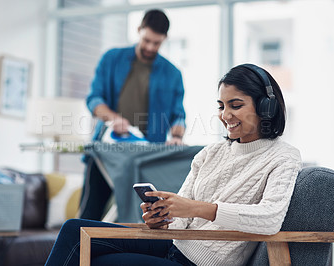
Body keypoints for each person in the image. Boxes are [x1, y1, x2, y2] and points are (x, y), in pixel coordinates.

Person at [46, 63, 302, 266]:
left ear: (266, 107)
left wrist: (198, 208)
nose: (225, 116)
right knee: (74, 230)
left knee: (96, 261)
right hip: (174, 245)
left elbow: (269, 219)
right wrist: (162, 221)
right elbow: (181, 223)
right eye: (221, 106)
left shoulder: (283, 156)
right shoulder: (210, 153)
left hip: (200, 261)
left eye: (235, 105)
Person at [80, 9, 186, 220]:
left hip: (144, 158)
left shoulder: (172, 74)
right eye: (146, 40)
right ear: (139, 30)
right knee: (89, 214)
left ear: (164, 39)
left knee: (144, 218)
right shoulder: (112, 59)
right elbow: (94, 99)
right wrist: (113, 118)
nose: (150, 47)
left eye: (156, 43)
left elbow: (178, 115)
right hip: (107, 153)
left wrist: (176, 137)